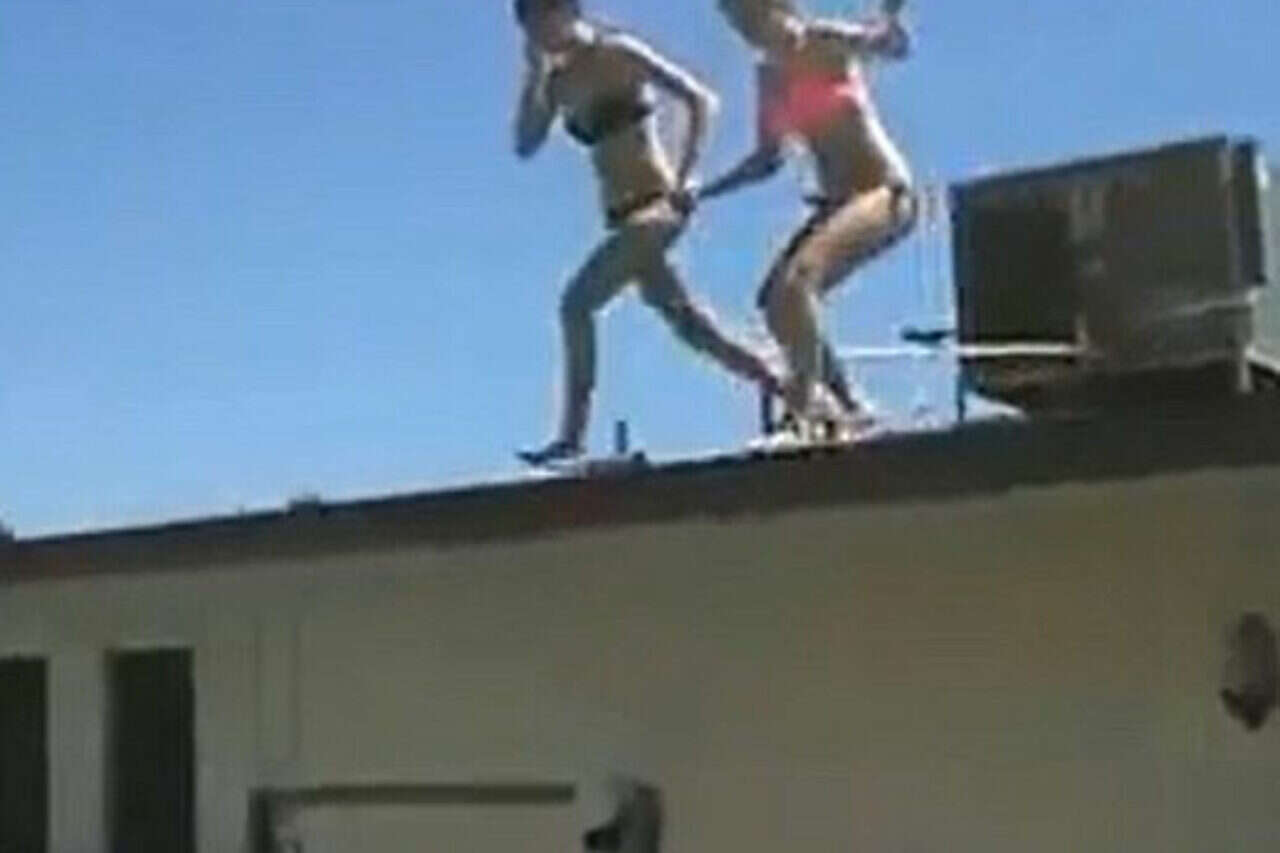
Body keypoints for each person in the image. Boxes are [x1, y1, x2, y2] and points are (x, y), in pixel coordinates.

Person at [512, 0, 783, 465]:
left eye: (543, 22)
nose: (540, 35)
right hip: (620, 216)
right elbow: (525, 144)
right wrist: (534, 75)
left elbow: (700, 100)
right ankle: (794, 388)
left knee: (576, 305)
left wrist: (687, 176)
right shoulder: (558, 83)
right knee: (694, 329)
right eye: (529, 29)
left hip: (657, 207)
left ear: (568, 12)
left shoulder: (618, 51)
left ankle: (571, 438)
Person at [700, 0, 917, 437]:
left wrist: (891, 17)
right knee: (775, 303)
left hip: (884, 192)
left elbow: (893, 48)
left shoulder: (822, 40)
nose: (749, 33)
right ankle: (851, 406)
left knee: (798, 284)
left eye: (752, 18)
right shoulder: (770, 77)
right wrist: (702, 192)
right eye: (739, 26)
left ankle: (799, 412)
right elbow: (767, 159)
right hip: (837, 203)